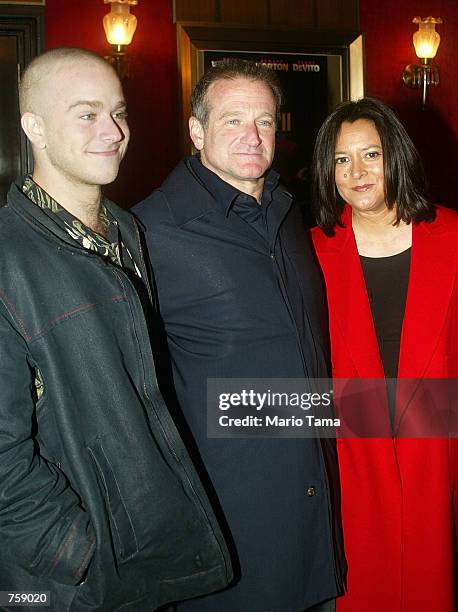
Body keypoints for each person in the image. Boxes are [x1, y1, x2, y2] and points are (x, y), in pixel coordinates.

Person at [0, 47, 233, 612]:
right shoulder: (8, 259)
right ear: (35, 127)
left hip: (146, 554)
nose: (113, 131)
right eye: (86, 114)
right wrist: (76, 552)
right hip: (69, 580)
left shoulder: (125, 231)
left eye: (118, 112)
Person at [134, 59, 345, 611]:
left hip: (314, 517)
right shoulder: (149, 232)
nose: (253, 137)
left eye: (266, 121)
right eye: (232, 121)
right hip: (231, 530)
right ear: (197, 131)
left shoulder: (285, 211)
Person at [311, 97, 458, 611]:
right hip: (352, 460)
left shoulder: (454, 238)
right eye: (341, 159)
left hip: (439, 458)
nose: (357, 172)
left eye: (371, 154)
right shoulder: (307, 252)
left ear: (397, 155)